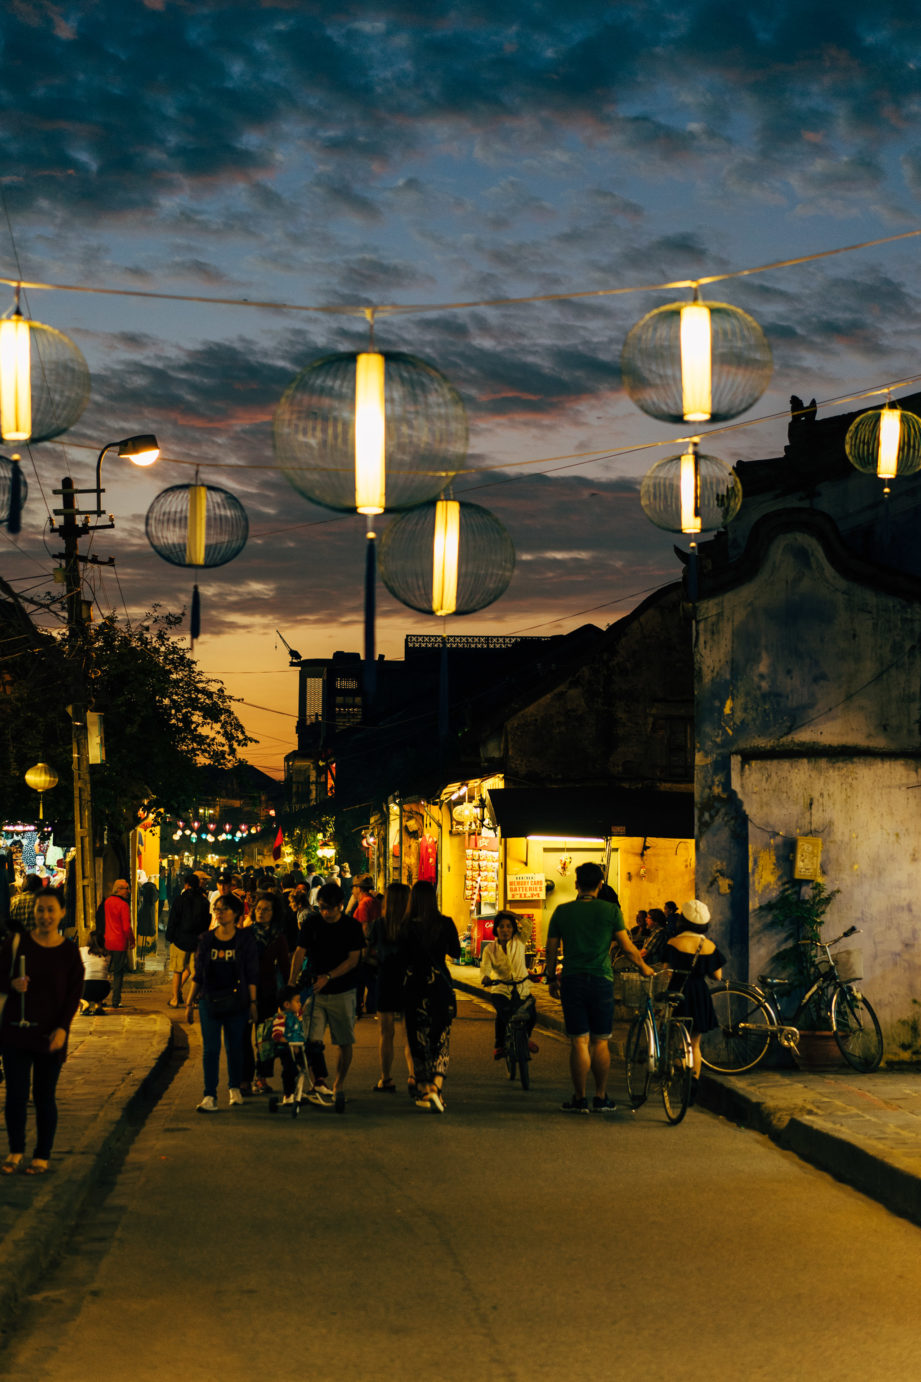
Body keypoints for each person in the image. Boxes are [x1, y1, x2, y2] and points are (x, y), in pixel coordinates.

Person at [545, 860, 653, 1114]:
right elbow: (627, 947)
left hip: (572, 980)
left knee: (579, 1042)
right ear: (600, 885)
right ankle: (601, 1097)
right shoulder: (610, 911)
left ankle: (580, 1098)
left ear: (576, 884)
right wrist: (644, 968)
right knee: (600, 1042)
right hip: (602, 981)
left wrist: (551, 978)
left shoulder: (562, 911)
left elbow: (551, 949)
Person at [0, 887, 84, 1174]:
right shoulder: (16, 943)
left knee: (45, 1096)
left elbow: (74, 994)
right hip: (16, 1029)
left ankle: (42, 1154)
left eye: (51, 909)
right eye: (40, 909)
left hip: (50, 1033)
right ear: (32, 912)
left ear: (61, 912)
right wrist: (12, 984)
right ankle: (15, 1150)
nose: (45, 915)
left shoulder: (69, 952)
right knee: (15, 1095)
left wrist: (63, 1029)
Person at [288, 882, 363, 1113]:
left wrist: (329, 976)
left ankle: (338, 1085)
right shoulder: (312, 923)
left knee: (344, 1040)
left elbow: (353, 959)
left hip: (343, 990)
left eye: (330, 908)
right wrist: (292, 983)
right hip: (314, 990)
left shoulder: (351, 926)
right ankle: (319, 1083)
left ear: (341, 905)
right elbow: (299, 952)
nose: (326, 912)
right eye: (321, 907)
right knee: (312, 1039)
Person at [186, 895, 258, 1112]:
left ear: (236, 913)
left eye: (224, 909)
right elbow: (198, 973)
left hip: (237, 1001)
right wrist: (189, 1003)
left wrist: (253, 1002)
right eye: (216, 909)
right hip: (210, 1000)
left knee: (234, 1047)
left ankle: (234, 1088)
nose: (219, 912)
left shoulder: (244, 940)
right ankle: (209, 1095)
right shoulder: (207, 939)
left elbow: (251, 972)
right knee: (210, 1049)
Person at [401, 880, 460, 1113]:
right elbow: (455, 952)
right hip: (439, 988)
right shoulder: (445, 923)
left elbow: (400, 959)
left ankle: (426, 1090)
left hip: (414, 987)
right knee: (441, 1040)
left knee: (418, 1041)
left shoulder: (405, 926)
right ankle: (436, 1089)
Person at [664, 899, 726, 1100]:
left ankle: (679, 1073)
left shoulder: (674, 943)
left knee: (678, 1038)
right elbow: (717, 976)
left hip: (678, 991)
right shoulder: (709, 946)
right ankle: (693, 1084)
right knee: (695, 1043)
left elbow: (667, 971)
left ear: (683, 920)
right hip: (700, 993)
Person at [367, 881, 413, 1094]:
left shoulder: (379, 924)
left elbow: (370, 953)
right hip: (409, 980)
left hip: (386, 979)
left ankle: (386, 1079)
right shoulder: (413, 926)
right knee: (410, 1032)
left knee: (386, 1033)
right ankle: (414, 1076)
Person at [246, 892, 291, 1094]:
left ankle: (261, 1078)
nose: (261, 913)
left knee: (265, 1039)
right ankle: (243, 1079)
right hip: (245, 992)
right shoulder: (245, 935)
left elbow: (285, 966)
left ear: (274, 913)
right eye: (258, 909)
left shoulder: (278, 938)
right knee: (243, 1039)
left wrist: (289, 992)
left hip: (269, 992)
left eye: (266, 909)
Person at [480, 911, 538, 1059]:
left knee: (532, 1014)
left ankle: (525, 1038)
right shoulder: (489, 950)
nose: (505, 930)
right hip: (501, 989)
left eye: (508, 926)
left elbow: (527, 925)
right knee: (503, 1014)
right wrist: (486, 977)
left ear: (513, 929)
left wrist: (511, 914)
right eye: (501, 926)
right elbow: (485, 968)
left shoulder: (520, 941)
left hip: (522, 986)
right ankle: (499, 1044)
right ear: (496, 929)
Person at [165, 873, 210, 1008]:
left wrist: (170, 936)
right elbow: (206, 921)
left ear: (186, 885)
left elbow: (173, 919)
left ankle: (174, 999)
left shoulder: (179, 900)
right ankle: (193, 999)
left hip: (180, 940)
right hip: (197, 941)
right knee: (195, 971)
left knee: (177, 970)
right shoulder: (204, 901)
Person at [103, 879, 134, 1009]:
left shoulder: (107, 902)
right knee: (118, 973)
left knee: (104, 971)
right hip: (119, 942)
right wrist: (131, 939)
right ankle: (116, 1000)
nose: (128, 891)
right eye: (126, 888)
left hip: (107, 941)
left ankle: (101, 998)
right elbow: (126, 927)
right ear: (118, 889)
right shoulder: (123, 905)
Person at [78, 936, 111, 1014]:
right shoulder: (106, 952)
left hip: (85, 989)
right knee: (100, 978)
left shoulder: (82, 950)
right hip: (104, 989)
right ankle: (98, 1005)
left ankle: (85, 1003)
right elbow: (106, 967)